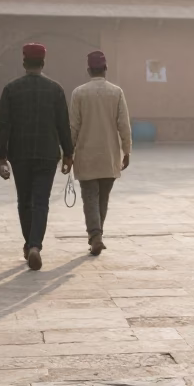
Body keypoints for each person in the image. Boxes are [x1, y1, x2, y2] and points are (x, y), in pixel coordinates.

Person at [0, 43, 74, 271]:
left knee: (24, 200)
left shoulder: (11, 89)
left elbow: (3, 125)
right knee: (41, 201)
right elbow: (63, 125)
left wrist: (1, 156)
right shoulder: (55, 89)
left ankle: (29, 243)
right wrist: (68, 153)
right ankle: (35, 246)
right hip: (48, 154)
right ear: (43, 63)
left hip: (20, 154)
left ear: (24, 62)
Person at [69, 51, 132, 257]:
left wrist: (68, 154)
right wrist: (127, 150)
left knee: (90, 198)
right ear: (105, 70)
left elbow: (73, 127)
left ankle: (95, 236)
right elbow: (124, 125)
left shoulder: (79, 93)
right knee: (103, 198)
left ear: (88, 70)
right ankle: (98, 235)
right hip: (109, 155)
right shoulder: (116, 92)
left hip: (86, 155)